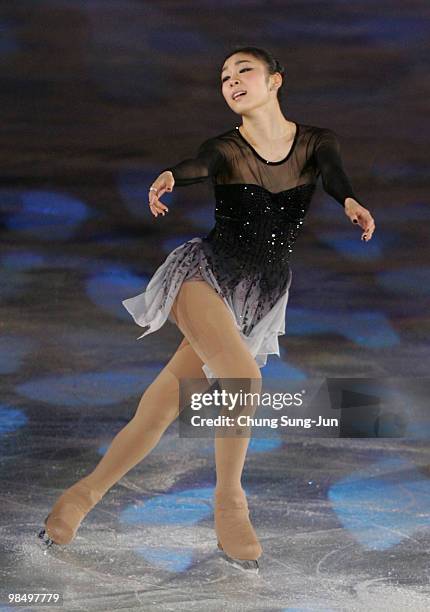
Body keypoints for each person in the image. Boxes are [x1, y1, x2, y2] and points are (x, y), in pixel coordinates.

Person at [38, 46, 375, 573]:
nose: (233, 81)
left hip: (257, 294)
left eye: (244, 71)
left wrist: (350, 201)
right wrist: (174, 175)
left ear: (275, 80)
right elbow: (200, 165)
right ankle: (230, 503)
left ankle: (81, 496)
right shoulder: (223, 147)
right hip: (202, 275)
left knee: (162, 406)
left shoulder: (315, 141)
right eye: (224, 77)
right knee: (242, 377)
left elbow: (331, 173)